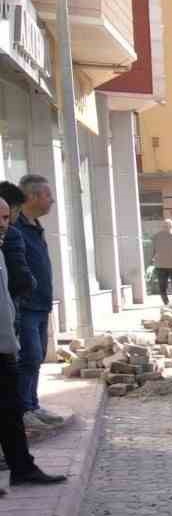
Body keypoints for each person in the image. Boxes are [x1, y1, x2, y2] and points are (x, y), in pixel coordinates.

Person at [0, 196, 67, 495]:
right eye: (0, 218)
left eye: (6, 218)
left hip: (4, 345)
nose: (5, 225)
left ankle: (22, 468)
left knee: (11, 410)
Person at [11, 174, 65, 430]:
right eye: (47, 195)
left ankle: (32, 404)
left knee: (38, 356)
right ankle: (23, 410)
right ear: (32, 196)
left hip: (42, 304)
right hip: (26, 306)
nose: (52, 200)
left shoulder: (34, 225)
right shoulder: (15, 227)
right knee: (29, 356)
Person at [151, 218, 172, 305]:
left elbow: (152, 250)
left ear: (163, 226)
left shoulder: (156, 236)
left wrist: (151, 260)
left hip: (160, 265)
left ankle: (165, 301)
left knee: (162, 284)